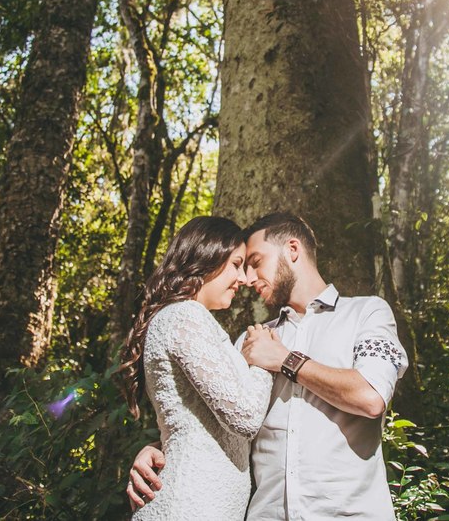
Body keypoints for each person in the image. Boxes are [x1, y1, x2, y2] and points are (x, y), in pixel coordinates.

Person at [128, 212, 408, 520]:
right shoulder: (249, 341)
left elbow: (371, 397)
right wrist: (160, 448)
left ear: (292, 250)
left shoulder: (367, 314)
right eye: (241, 266)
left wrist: (286, 360)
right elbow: (220, 422)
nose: (248, 279)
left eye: (256, 262)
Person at [119, 215, 273, 521]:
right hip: (187, 504)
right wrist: (262, 360)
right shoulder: (185, 315)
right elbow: (245, 417)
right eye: (236, 264)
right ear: (207, 255)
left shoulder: (187, 318)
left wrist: (155, 445)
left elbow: (196, 421)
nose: (243, 279)